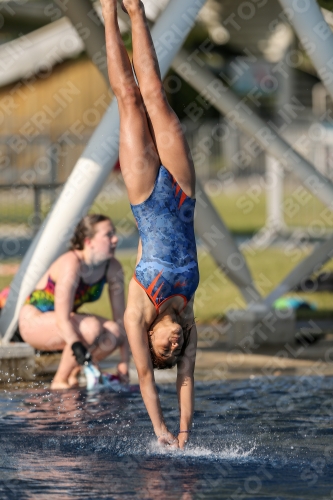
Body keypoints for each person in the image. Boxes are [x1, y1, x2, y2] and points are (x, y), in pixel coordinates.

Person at [101, 0, 199, 449]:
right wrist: (184, 432)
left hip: (144, 195)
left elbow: (146, 377)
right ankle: (136, 12)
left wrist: (160, 431)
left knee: (129, 99)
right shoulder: (188, 314)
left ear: (149, 338)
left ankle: (108, 11)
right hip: (181, 191)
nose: (175, 343)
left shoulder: (138, 311)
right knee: (157, 95)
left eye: (167, 348)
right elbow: (185, 381)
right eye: (175, 349)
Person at [19, 214, 129, 390]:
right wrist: (78, 348)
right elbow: (63, 320)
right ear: (88, 241)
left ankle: (73, 375)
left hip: (65, 321)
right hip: (33, 321)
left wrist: (124, 362)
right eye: (108, 235)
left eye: (114, 233)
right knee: (91, 328)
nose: (115, 239)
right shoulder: (72, 263)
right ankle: (59, 382)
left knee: (114, 333)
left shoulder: (112, 267)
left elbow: (121, 320)